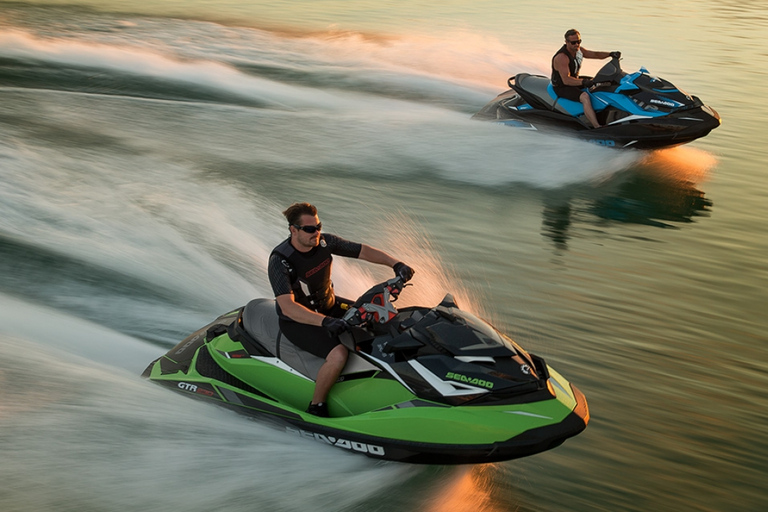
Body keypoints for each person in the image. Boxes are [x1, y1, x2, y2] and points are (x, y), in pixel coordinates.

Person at [267, 202, 415, 417]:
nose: (316, 233)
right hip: (299, 321)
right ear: (293, 230)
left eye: (318, 226)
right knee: (338, 354)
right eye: (309, 229)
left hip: (329, 306)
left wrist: (396, 264)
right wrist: (325, 322)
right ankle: (317, 406)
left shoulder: (326, 242)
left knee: (379, 319)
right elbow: (288, 308)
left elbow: (363, 251)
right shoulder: (280, 261)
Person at [551, 29, 621, 128]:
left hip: (574, 80)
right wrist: (583, 82)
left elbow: (595, 54)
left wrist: (610, 54)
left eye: (579, 41)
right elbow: (566, 80)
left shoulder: (579, 50)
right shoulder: (562, 57)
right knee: (585, 97)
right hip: (562, 86)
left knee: (600, 83)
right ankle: (596, 126)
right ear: (566, 42)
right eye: (573, 42)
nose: (576, 45)